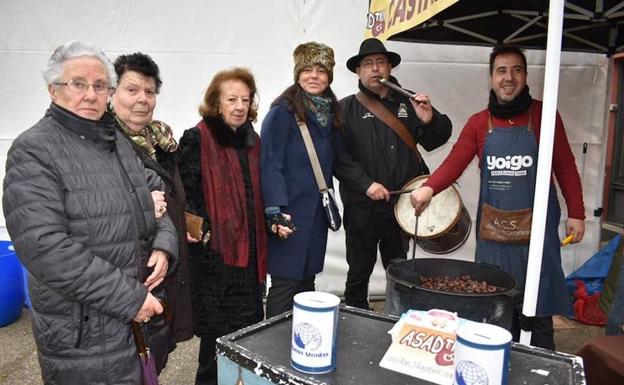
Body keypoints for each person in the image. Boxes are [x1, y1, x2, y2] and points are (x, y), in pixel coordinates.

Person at [2, 40, 178, 384]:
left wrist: (164, 244)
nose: (91, 94)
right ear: (54, 90)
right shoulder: (33, 150)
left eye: (100, 86)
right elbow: (45, 248)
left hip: (135, 323)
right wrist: (130, 299)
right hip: (84, 334)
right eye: (78, 84)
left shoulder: (118, 143)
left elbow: (157, 200)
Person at [410, 45, 586, 349]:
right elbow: (455, 162)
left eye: (516, 69)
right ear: (491, 78)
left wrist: (578, 212)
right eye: (501, 70)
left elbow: (566, 166)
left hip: (537, 232)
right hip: (494, 235)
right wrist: (429, 188)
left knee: (538, 304)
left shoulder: (545, 115)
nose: (509, 77)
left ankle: (540, 364)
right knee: (496, 306)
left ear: (526, 76)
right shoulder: (479, 123)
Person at [334, 38, 452, 310]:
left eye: (380, 63)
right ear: (358, 71)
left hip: (402, 207)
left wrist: (430, 119)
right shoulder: (345, 109)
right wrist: (366, 184)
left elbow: (437, 138)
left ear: (389, 67)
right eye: (368, 64)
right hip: (361, 206)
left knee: (400, 268)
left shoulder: (410, 101)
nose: (375, 69)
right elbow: (339, 158)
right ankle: (355, 316)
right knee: (359, 270)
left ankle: (398, 318)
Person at [179, 68, 267, 385]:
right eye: (232, 99)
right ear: (217, 103)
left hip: (250, 255)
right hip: (215, 259)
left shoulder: (252, 142)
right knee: (215, 343)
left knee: (246, 336)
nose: (240, 106)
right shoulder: (197, 137)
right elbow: (186, 196)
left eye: (245, 99)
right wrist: (204, 235)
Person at [110, 52, 194, 369]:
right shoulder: (100, 144)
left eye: (150, 92)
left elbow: (172, 194)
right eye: (132, 90)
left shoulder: (161, 140)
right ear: (111, 92)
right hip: (125, 278)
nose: (142, 99)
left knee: (153, 357)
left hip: (163, 263)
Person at [260, 42, 341, 317]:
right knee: (284, 283)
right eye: (307, 70)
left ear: (330, 75)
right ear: (297, 74)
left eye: (321, 70)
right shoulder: (282, 112)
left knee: (307, 282)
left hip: (316, 214)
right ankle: (271, 349)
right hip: (289, 214)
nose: (314, 76)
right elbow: (270, 164)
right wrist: (276, 212)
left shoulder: (329, 112)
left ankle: (300, 342)